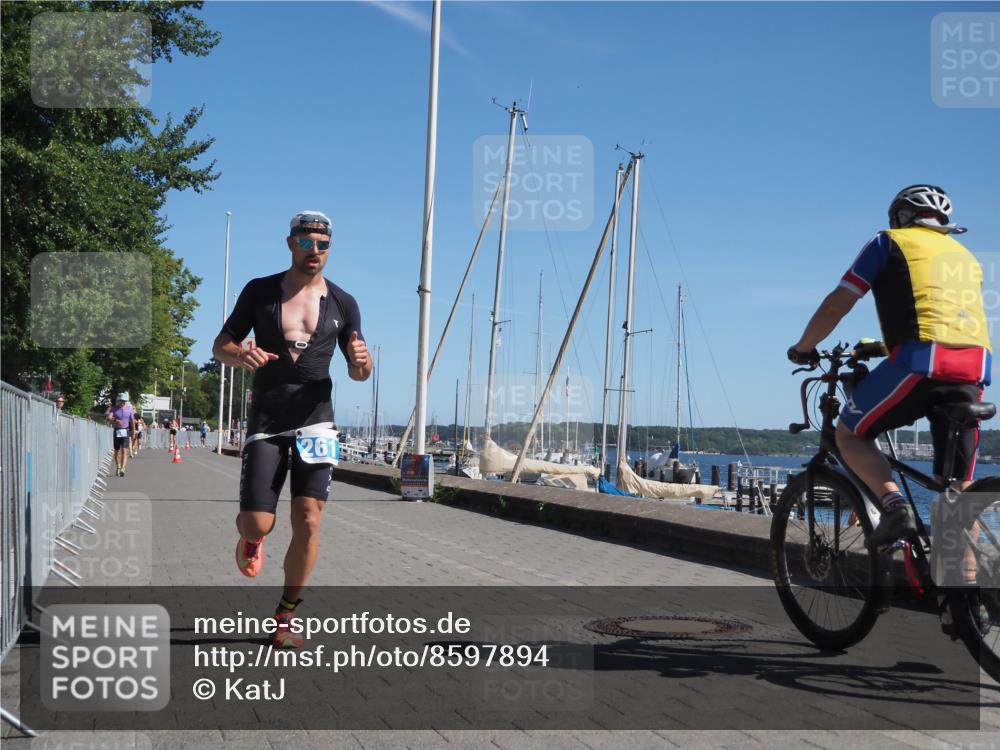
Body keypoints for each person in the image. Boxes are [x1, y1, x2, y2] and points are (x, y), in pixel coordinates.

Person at [789, 185, 991, 550]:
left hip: (922, 365)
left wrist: (804, 348)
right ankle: (969, 600)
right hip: (973, 372)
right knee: (958, 493)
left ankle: (894, 507)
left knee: (848, 435)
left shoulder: (888, 241)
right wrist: (883, 344)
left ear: (900, 216)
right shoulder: (965, 257)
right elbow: (945, 321)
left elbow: (837, 304)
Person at [212, 209, 371, 648]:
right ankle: (250, 539)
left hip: (317, 422)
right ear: (290, 244)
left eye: (322, 245)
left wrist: (362, 363)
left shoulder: (344, 302)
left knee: (308, 520)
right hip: (267, 420)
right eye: (306, 243)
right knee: (258, 523)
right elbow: (220, 345)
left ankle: (285, 616)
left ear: (329, 248)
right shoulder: (260, 291)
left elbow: (360, 369)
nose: (314, 251)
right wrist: (239, 355)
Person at [106, 393, 136, 477]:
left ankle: (123, 468)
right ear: (118, 401)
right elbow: (108, 418)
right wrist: (116, 420)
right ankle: (118, 467)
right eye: (121, 401)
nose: (122, 402)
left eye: (124, 401)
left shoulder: (129, 409)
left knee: (124, 450)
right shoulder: (114, 409)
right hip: (117, 431)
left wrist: (133, 432)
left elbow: (132, 421)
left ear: (126, 401)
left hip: (125, 431)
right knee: (117, 450)